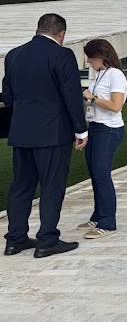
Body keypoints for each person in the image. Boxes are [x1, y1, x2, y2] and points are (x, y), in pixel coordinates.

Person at [2, 13, 88, 259]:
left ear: (38, 29)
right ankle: (47, 240)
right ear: (61, 34)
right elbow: (71, 95)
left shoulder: (14, 55)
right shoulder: (62, 55)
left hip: (20, 132)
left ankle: (15, 240)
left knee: (21, 186)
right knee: (52, 186)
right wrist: (81, 130)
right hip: (53, 133)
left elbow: (7, 95)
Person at [78, 38, 127, 239]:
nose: (89, 62)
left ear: (100, 56)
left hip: (109, 129)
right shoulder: (100, 75)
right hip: (96, 128)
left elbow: (116, 106)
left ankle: (108, 222)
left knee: (101, 174)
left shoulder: (115, 75)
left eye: (91, 58)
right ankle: (98, 215)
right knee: (94, 172)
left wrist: (92, 98)